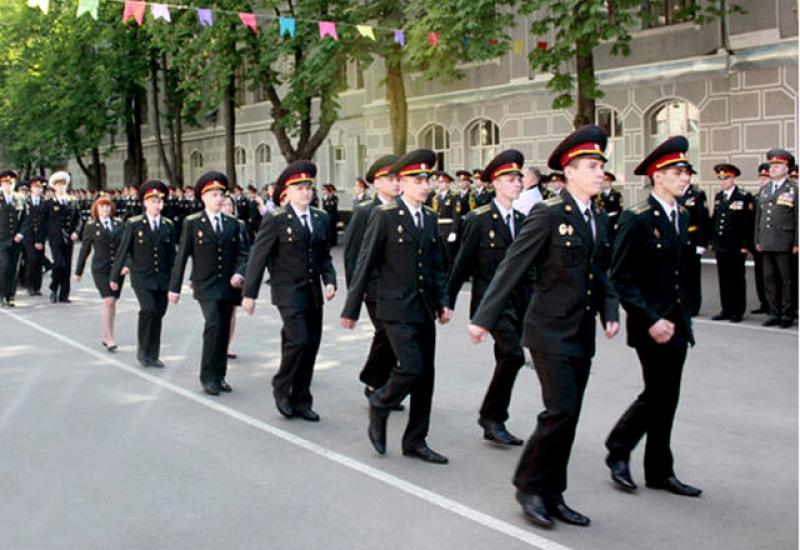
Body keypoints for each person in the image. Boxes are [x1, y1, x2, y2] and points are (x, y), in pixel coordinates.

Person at [469, 126, 619, 528]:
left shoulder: (598, 218)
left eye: (601, 165)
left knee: (569, 416)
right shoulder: (549, 213)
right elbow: (512, 266)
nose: (600, 172)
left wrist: (610, 311)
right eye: (592, 166)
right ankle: (528, 486)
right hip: (548, 331)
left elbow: (600, 273)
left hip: (581, 331)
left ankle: (553, 492)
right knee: (560, 410)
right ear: (568, 173)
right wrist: (484, 318)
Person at [605, 135, 702, 500]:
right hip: (651, 325)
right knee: (658, 393)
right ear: (657, 176)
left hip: (677, 321)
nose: (685, 177)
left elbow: (680, 272)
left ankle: (659, 471)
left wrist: (685, 311)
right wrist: (650, 319)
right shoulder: (637, 218)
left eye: (686, 172)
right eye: (678, 171)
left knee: (668, 396)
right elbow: (622, 279)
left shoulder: (683, 214)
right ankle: (619, 446)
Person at [341, 149, 452, 465]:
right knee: (411, 367)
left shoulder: (429, 217)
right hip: (394, 308)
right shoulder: (385, 216)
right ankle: (381, 402)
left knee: (425, 377)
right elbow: (364, 262)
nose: (424, 184)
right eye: (417, 179)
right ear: (401, 183)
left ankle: (416, 441)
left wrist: (443, 302)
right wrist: (351, 308)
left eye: (426, 179)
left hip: (423, 308)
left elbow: (436, 266)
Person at [242, 161, 337, 421]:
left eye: (308, 187)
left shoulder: (320, 218)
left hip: (312, 292)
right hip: (287, 291)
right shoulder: (276, 219)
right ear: (288, 191)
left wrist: (330, 280)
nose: (305, 192)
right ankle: (282, 386)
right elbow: (258, 257)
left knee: (311, 345)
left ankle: (302, 399)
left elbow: (324, 256)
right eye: (299, 188)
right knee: (299, 339)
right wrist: (249, 294)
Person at [447, 150, 529, 447]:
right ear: (496, 183)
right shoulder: (478, 219)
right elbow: (462, 264)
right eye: (511, 179)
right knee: (513, 354)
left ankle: (493, 418)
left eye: (519, 179)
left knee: (505, 357)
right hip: (491, 303)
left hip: (520, 301)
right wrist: (448, 300)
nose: (518, 183)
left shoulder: (523, 220)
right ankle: (492, 417)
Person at [169, 172, 250, 395]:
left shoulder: (234, 224)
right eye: (214, 195)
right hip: (205, 285)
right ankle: (208, 377)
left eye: (221, 195)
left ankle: (220, 375)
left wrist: (240, 274)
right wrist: (174, 288)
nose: (219, 199)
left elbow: (245, 254)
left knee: (223, 329)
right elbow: (182, 256)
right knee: (213, 324)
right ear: (203, 198)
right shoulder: (193, 223)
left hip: (229, 285)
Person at [342, 154, 404, 409]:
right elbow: (352, 255)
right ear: (376, 182)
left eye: (398, 178)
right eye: (390, 179)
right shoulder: (364, 211)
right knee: (386, 332)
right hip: (375, 287)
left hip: (399, 288)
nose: (396, 183)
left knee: (391, 336)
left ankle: (379, 381)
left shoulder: (403, 208)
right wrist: (357, 292)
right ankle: (376, 383)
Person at [110, 180, 176, 368]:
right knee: (148, 308)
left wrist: (175, 281)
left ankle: (153, 354)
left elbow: (173, 255)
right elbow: (123, 251)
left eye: (159, 201)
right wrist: (115, 277)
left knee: (159, 313)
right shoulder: (134, 224)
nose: (157, 205)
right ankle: (143, 351)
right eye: (153, 201)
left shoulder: (168, 225)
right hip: (142, 276)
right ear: (145, 203)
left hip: (162, 277)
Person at [75, 196, 125, 352]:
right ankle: (109, 338)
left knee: (113, 302)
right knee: (108, 300)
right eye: (102, 206)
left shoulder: (119, 224)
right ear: (96, 209)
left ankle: (106, 334)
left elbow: (125, 247)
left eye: (107, 206)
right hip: (100, 269)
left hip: (116, 269)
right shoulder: (91, 226)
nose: (105, 209)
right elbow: (85, 250)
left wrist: (126, 265)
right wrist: (79, 271)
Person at [754, 149, 798, 328]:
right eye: (771, 166)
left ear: (787, 169)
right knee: (769, 279)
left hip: (784, 241)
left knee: (786, 280)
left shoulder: (793, 189)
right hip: (766, 241)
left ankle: (787, 314)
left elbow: (798, 217)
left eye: (777, 166)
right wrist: (757, 239)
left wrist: (797, 242)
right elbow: (759, 218)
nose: (773, 169)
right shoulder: (764, 190)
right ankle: (774, 313)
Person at [709, 164, 754, 323]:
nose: (723, 181)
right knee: (724, 278)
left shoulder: (743, 196)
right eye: (720, 178)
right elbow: (715, 220)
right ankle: (726, 309)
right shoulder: (719, 196)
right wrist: (713, 241)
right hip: (722, 245)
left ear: (733, 178)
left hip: (736, 245)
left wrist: (745, 244)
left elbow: (747, 222)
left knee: (737, 279)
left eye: (726, 178)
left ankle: (737, 310)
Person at [220, 193, 249, 360]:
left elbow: (247, 251)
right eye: (224, 205)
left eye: (230, 205)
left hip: (234, 275)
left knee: (231, 312)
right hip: (218, 275)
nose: (227, 208)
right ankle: (217, 343)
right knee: (218, 313)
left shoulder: (240, 225)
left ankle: (226, 346)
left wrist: (242, 272)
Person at [44, 171, 80, 304]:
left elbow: (79, 218)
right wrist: (42, 237)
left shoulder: (73, 201)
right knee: (59, 263)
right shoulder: (49, 203)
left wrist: (76, 231)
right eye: (58, 185)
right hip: (55, 237)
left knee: (67, 266)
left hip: (69, 237)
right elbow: (44, 221)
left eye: (63, 185)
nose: (61, 187)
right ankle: (54, 286)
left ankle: (64, 294)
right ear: (54, 187)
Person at [677, 171, 710, 316]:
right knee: (681, 274)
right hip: (679, 239)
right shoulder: (676, 193)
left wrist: (701, 244)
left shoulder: (697, 194)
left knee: (693, 275)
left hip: (692, 238)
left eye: (686, 175)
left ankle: (694, 305)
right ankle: (682, 303)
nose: (683, 179)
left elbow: (703, 220)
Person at [0, 170, 29, 308]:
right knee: (4, 266)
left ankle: (10, 295)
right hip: (1, 239)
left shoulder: (20, 198)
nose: (8, 185)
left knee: (13, 268)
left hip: (16, 239)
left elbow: (26, 219)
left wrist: (21, 233)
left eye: (11, 182)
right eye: (6, 182)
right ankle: (1, 295)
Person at [23, 176, 50, 296]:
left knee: (39, 260)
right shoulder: (25, 201)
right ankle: (29, 285)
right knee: (31, 259)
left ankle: (36, 286)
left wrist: (42, 238)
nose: (38, 189)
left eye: (40, 187)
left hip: (40, 236)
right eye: (35, 187)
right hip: (28, 236)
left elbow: (47, 222)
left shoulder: (45, 203)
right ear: (31, 188)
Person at [750, 163, 772, 314]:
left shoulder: (771, 195)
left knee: (773, 275)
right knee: (760, 274)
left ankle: (774, 305)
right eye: (761, 177)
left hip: (773, 241)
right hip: (759, 241)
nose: (763, 180)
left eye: (766, 177)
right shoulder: (757, 196)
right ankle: (763, 302)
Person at [430, 171, 461, 272]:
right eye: (439, 182)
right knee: (440, 255)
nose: (441, 184)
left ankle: (451, 276)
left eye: (443, 182)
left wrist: (454, 231)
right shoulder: (436, 197)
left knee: (449, 255)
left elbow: (456, 215)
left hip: (448, 228)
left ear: (448, 184)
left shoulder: (454, 196)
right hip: (438, 228)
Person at [594, 171, 623, 236]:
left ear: (610, 182)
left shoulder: (616, 194)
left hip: (613, 220)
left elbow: (620, 209)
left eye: (607, 181)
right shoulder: (597, 194)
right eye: (603, 181)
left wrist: (617, 222)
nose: (605, 183)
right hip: (601, 221)